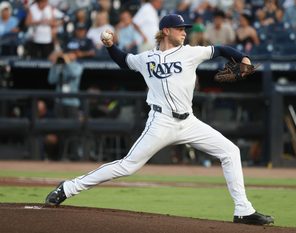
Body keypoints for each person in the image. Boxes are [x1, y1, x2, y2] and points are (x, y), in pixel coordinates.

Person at [45, 13, 274, 226]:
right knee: (127, 166)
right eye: (179, 29)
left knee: (230, 151)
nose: (184, 32)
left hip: (189, 122)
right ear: (166, 31)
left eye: (185, 29)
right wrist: (110, 46)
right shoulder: (146, 58)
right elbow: (124, 61)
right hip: (160, 122)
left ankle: (243, 210)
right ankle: (68, 188)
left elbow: (222, 49)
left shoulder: (191, 52)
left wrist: (243, 58)